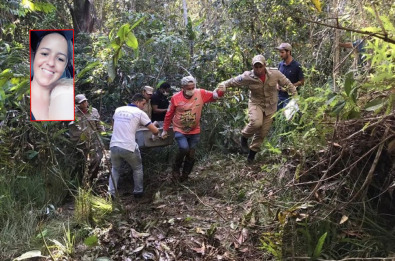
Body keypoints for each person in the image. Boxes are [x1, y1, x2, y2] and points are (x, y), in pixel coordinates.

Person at [219, 55, 297, 163]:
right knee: (256, 123)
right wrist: (223, 84)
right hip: (256, 104)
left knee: (262, 133)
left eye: (260, 66)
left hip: (271, 106)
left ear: (265, 65)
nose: (258, 69)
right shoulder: (248, 76)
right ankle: (244, 137)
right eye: (256, 67)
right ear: (253, 66)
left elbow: (288, 84)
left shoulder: (275, 73)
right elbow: (233, 81)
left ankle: (251, 157)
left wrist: (296, 97)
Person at [161, 76, 224, 182]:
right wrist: (165, 129)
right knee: (184, 148)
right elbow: (169, 114)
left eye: (193, 87)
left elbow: (215, 96)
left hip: (194, 130)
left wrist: (221, 90)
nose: (191, 90)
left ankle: (185, 175)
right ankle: (175, 169)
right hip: (179, 129)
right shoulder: (175, 98)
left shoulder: (200, 93)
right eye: (188, 88)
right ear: (183, 87)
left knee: (191, 153)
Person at [108, 93, 159, 198]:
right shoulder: (139, 113)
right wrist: (156, 131)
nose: (144, 107)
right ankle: (138, 192)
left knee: (115, 169)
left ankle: (111, 193)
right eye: (143, 104)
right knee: (137, 168)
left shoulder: (118, 109)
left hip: (114, 145)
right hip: (129, 146)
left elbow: (114, 127)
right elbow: (154, 130)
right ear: (137, 102)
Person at [30, 30, 73, 120]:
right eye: (45, 54)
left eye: (60, 59)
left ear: (65, 65)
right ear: (34, 55)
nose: (51, 63)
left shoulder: (65, 94)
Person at [69, 94, 105, 185]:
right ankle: (80, 181)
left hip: (93, 139)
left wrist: (102, 135)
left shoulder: (93, 111)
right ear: (77, 104)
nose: (85, 104)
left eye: (85, 101)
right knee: (81, 161)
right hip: (78, 141)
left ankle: (91, 178)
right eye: (82, 102)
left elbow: (99, 124)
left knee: (97, 158)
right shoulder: (72, 112)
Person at [275, 43, 304, 110]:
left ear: (288, 52)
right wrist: (277, 85)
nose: (280, 55)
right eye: (280, 52)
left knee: (287, 118)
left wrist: (290, 87)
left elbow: (302, 82)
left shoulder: (297, 66)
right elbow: (277, 78)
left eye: (282, 52)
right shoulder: (280, 64)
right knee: (276, 117)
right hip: (279, 96)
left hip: (291, 97)